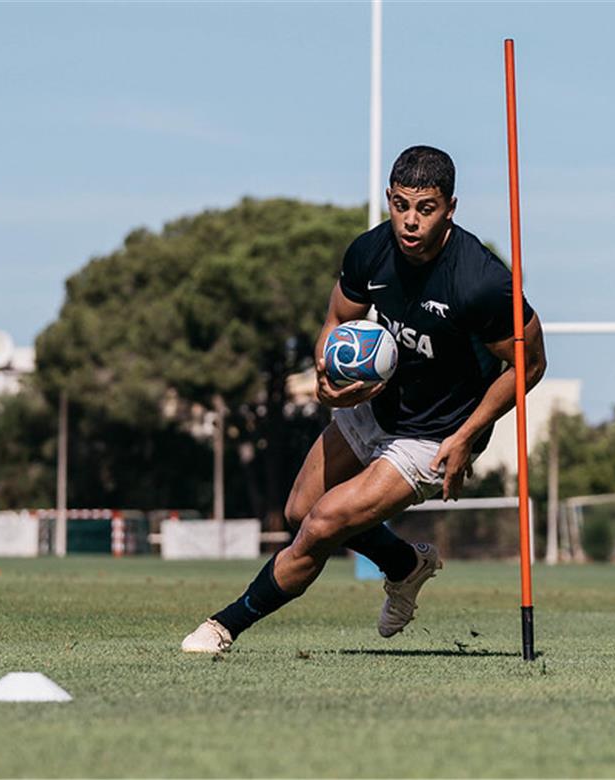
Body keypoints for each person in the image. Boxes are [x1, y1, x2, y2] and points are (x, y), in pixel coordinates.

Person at [182, 145, 547, 654]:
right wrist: (325, 374)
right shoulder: (369, 252)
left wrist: (466, 438)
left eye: (426, 208)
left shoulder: (481, 282)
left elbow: (530, 365)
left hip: (437, 433)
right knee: (299, 510)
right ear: (388, 200)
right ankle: (405, 565)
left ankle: (223, 627)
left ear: (451, 208)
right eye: (400, 205)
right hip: (377, 406)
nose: (410, 221)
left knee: (323, 524)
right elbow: (336, 319)